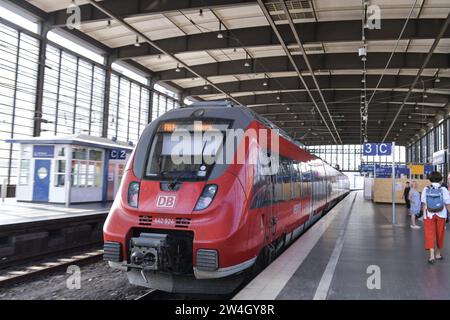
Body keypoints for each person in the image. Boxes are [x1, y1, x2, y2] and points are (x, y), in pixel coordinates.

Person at [421, 171, 450, 264]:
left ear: (430, 179)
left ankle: (431, 256)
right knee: (440, 233)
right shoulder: (444, 189)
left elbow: (424, 204)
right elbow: (448, 204)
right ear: (440, 179)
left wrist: (424, 215)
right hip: (441, 214)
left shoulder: (426, 189)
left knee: (429, 234)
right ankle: (438, 254)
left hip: (429, 214)